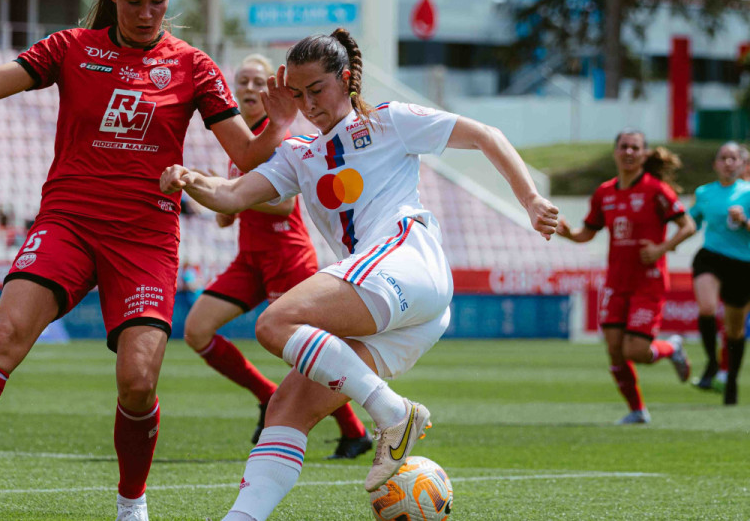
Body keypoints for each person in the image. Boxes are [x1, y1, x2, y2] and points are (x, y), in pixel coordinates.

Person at [0, 0, 295, 519]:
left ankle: (131, 504)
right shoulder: (70, 47)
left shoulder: (193, 65)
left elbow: (247, 152)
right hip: (68, 223)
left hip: (145, 238)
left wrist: (279, 122)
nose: (146, 14)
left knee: (138, 383)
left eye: (158, 2)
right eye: (135, 1)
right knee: (5, 337)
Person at [159, 28, 559, 521]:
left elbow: (484, 135)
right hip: (405, 313)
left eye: (317, 90)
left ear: (346, 79)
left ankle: (394, 413)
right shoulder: (298, 153)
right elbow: (231, 195)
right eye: (298, 95)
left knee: (275, 322)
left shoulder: (389, 121)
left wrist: (530, 199)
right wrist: (189, 179)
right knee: (286, 409)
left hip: (407, 261)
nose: (309, 105)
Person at [182, 53, 371, 458]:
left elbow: (284, 205)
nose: (249, 88)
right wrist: (220, 203)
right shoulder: (243, 145)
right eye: (243, 82)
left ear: (272, 91)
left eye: (258, 82)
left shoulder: (278, 138)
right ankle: (266, 394)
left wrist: (231, 195)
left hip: (287, 256)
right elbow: (230, 215)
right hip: (250, 258)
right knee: (197, 330)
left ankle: (355, 431)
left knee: (299, 352)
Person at [556, 133, 696, 424]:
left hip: (648, 282)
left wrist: (661, 248)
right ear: (615, 152)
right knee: (615, 350)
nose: (629, 152)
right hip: (616, 282)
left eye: (635, 147)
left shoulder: (656, 190)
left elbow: (688, 226)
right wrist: (568, 234)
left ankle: (672, 347)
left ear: (644, 154)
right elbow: (587, 233)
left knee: (636, 351)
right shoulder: (604, 193)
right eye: (624, 147)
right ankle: (637, 410)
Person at [688, 142, 750, 404]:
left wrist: (744, 221)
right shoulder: (704, 192)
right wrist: (667, 239)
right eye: (723, 158)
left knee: (734, 330)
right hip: (711, 257)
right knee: (707, 307)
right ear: (715, 164)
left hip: (742, 264)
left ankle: (731, 379)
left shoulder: (748, 192)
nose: (728, 162)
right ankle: (712, 363)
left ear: (742, 164)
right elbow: (691, 222)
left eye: (733, 158)